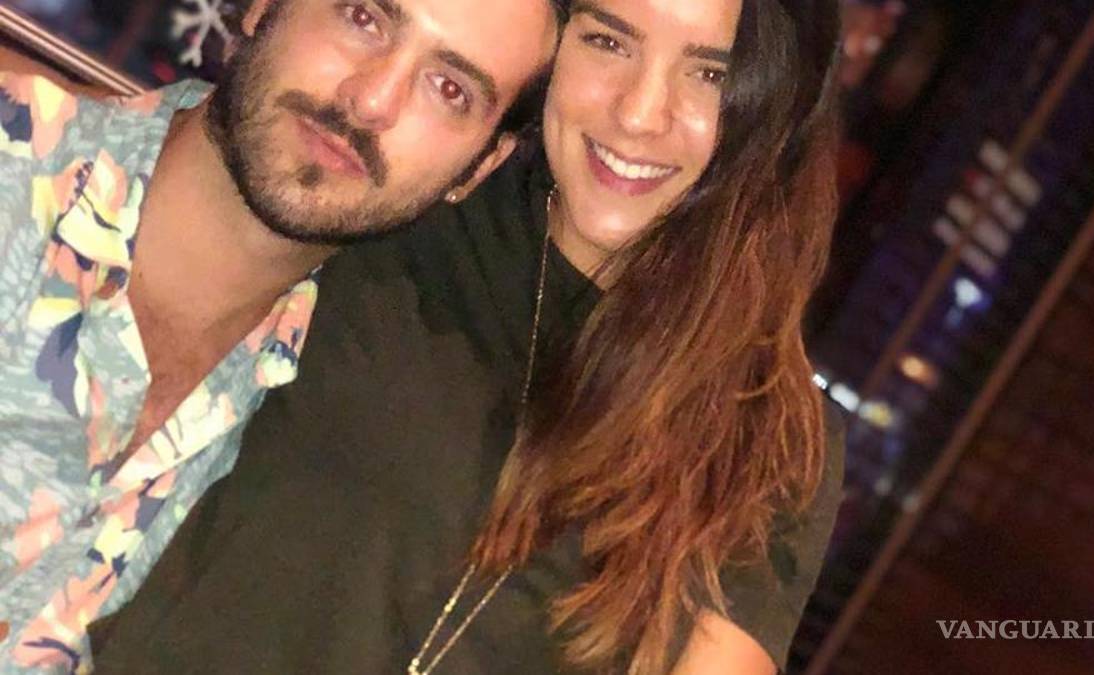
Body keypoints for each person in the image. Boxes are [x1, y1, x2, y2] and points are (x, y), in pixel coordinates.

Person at [88, 0, 844, 673]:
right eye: (609, 42)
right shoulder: (403, 198)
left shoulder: (763, 431)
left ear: (777, 109)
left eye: (709, 75)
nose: (640, 113)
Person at [0, 0, 560, 669]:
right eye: (364, 18)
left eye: (449, 89)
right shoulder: (16, 165)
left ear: (479, 168)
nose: (372, 100)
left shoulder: (315, 429)